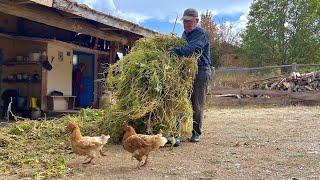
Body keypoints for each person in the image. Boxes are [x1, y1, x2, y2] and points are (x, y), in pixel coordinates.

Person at [170, 8, 212, 142]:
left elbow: (189, 50)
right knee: (181, 101)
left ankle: (196, 132)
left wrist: (174, 51)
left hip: (201, 71)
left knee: (197, 103)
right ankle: (176, 133)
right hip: (187, 71)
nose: (186, 24)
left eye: (189, 21)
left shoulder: (201, 33)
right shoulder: (184, 34)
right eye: (184, 21)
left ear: (196, 21)